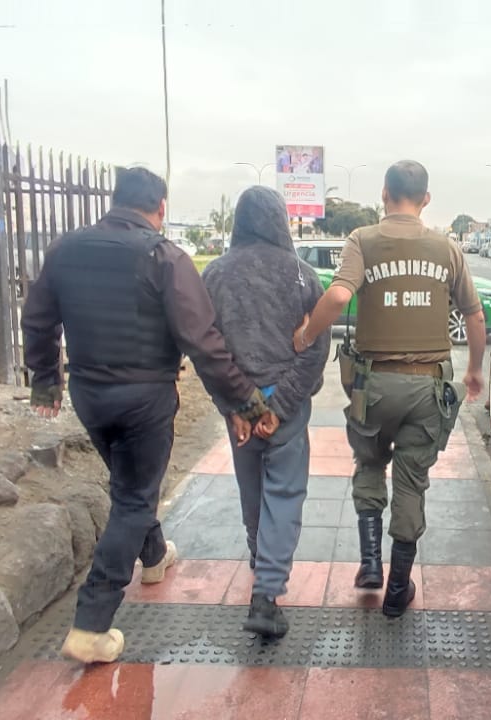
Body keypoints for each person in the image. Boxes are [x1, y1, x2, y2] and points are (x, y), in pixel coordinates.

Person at [22, 167, 276, 663]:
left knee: (129, 485)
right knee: (136, 498)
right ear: (160, 207)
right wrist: (245, 400)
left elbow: (38, 318)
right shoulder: (164, 256)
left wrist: (45, 378)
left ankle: (154, 556)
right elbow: (201, 340)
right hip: (144, 396)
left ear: (115, 200)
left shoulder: (65, 249)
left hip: (89, 394)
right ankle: (91, 623)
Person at [292, 160, 486, 618]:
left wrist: (305, 336)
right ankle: (398, 589)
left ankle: (369, 565)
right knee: (411, 483)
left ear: (384, 193)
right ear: (427, 199)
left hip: (373, 385)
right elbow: (474, 316)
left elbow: (340, 295)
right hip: (427, 388)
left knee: (369, 463)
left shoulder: (362, 240)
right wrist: (475, 370)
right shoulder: (447, 248)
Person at [202, 186, 330, 638]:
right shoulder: (302, 276)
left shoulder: (214, 275)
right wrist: (281, 406)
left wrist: (233, 405)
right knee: (284, 493)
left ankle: (259, 558)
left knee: (251, 488)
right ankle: (267, 593)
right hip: (286, 407)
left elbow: (206, 348)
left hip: (238, 405)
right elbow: (316, 349)